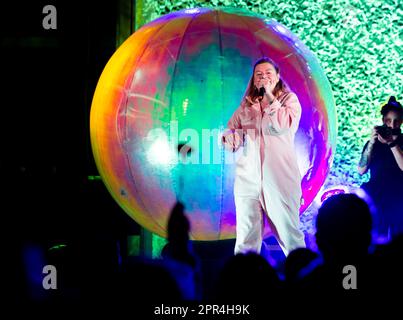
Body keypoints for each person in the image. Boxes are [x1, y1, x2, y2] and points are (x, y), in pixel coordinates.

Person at [222, 57, 305, 256]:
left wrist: (269, 97)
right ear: (253, 80)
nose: (263, 77)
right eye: (258, 75)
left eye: (268, 73)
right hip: (247, 180)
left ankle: (304, 279)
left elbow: (282, 126)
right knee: (245, 240)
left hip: (279, 179)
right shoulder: (246, 107)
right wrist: (230, 139)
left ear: (277, 77)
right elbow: (230, 131)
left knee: (289, 235)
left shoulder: (289, 101)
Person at [357, 96, 403, 238]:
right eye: (388, 121)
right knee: (376, 235)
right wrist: (371, 142)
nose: (392, 125)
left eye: (396, 121)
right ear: (383, 121)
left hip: (399, 197)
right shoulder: (374, 143)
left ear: (401, 122)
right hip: (376, 195)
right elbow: (361, 170)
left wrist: (392, 144)